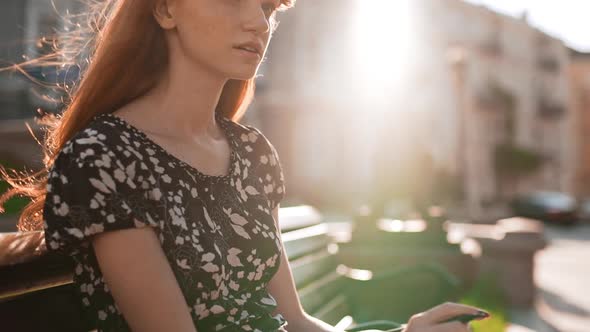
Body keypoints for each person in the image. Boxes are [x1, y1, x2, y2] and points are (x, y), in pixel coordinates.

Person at [0, 0, 490, 331]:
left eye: (268, 6)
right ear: (167, 8)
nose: (258, 22)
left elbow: (294, 322)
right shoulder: (103, 156)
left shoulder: (251, 153)